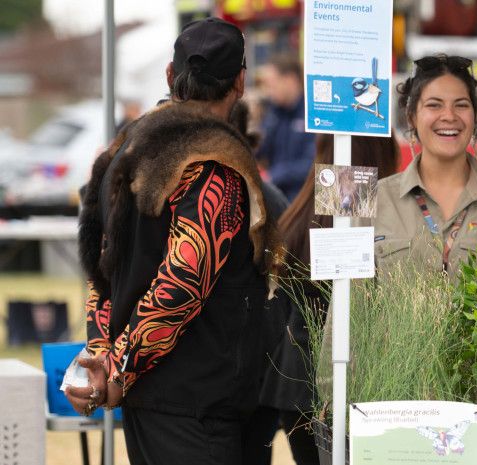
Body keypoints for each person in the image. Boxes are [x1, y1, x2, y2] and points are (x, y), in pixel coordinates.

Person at [68, 17, 282, 465]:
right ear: (240, 81)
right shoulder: (215, 167)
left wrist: (106, 356)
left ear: (170, 74)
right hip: (195, 402)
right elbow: (183, 281)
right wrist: (119, 367)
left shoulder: (121, 151)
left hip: (151, 398)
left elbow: (100, 268)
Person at [246, 133, 400, 465]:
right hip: (342, 379)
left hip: (295, 383)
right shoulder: (361, 211)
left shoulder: (304, 213)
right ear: (382, 154)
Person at [374, 54, 477, 273]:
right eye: (434, 105)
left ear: (475, 116)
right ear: (411, 117)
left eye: (461, 105)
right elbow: (348, 301)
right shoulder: (376, 199)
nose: (449, 115)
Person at [256, 53, 316, 200]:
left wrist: (274, 175)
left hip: (303, 199)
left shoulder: (312, 114)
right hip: (277, 196)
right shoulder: (274, 112)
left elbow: (312, 164)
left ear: (290, 80)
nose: (268, 92)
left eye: (272, 85)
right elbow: (259, 147)